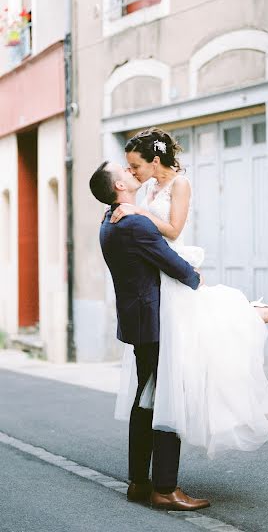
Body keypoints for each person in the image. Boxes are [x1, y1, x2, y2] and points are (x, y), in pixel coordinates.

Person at [111, 127, 268, 458]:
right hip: (158, 273)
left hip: (173, 265)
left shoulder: (180, 184)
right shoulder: (150, 186)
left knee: (209, 331)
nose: (133, 173)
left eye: (136, 166)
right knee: (197, 337)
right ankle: (257, 310)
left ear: (154, 161)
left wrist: (138, 212)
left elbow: (173, 229)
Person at [89, 161, 210, 511]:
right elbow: (169, 261)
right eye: (124, 172)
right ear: (119, 188)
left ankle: (139, 483)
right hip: (156, 322)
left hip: (138, 320)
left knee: (145, 400)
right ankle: (165, 489)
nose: (131, 172)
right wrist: (196, 278)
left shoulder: (110, 221)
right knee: (166, 397)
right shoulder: (133, 222)